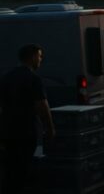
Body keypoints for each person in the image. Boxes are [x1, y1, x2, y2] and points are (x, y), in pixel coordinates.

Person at [0, 44, 55, 193]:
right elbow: (42, 106)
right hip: (26, 131)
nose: (41, 60)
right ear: (32, 58)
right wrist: (49, 128)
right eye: (39, 56)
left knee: (9, 168)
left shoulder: (6, 77)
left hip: (7, 131)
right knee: (23, 168)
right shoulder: (33, 79)